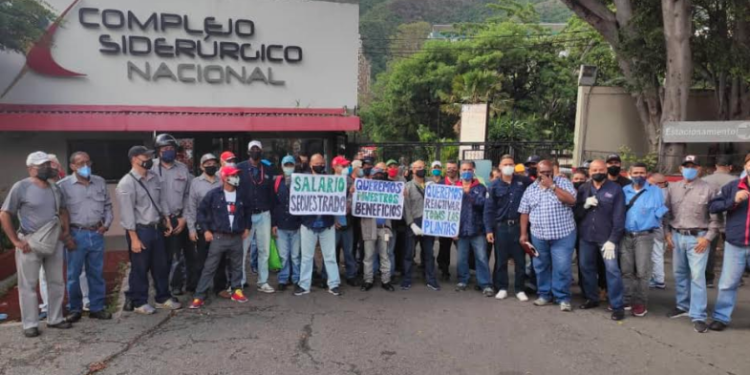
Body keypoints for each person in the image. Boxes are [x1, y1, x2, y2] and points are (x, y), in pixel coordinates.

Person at [0, 151, 73, 337]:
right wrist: (16, 241)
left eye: (47, 164)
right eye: (42, 165)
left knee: (56, 282)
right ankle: (30, 324)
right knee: (28, 285)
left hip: (54, 242)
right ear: (31, 169)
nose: (46, 168)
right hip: (29, 243)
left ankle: (55, 319)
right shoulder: (21, 187)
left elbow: (63, 210)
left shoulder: (54, 188)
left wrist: (65, 231)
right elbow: (5, 214)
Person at [117, 146, 181, 314]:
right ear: (134, 159)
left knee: (160, 266)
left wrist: (167, 219)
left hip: (157, 228)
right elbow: (127, 214)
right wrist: (134, 238)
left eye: (149, 156)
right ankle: (139, 301)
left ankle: (162, 297)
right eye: (144, 156)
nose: (148, 159)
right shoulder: (127, 183)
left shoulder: (154, 178)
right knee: (140, 268)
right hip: (140, 230)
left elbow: (162, 200)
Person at [663, 155, 719, 333]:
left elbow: (716, 218)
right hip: (677, 235)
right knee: (679, 273)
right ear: (681, 169)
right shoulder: (673, 188)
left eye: (694, 166)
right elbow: (666, 212)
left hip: (698, 237)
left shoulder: (709, 189)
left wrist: (708, 237)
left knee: (697, 277)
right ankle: (682, 305)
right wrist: (667, 233)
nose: (690, 169)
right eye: (687, 166)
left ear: (700, 169)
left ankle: (698, 315)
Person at [58, 151, 114, 322]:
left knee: (96, 273)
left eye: (88, 162)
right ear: (72, 166)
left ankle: (97, 307)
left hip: (96, 233)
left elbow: (108, 206)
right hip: (76, 233)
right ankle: (75, 309)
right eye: (81, 163)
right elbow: (60, 212)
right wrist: (66, 235)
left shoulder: (100, 182)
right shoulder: (63, 186)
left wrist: (106, 225)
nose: (85, 166)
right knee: (73, 275)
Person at [518, 160, 577, 311]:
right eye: (542, 172)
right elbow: (524, 212)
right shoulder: (531, 189)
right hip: (539, 236)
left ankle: (562, 297)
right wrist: (523, 234)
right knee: (540, 266)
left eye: (548, 172)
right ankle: (544, 294)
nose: (545, 174)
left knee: (562, 267)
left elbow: (572, 200)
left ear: (553, 171)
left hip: (562, 235)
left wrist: (552, 186)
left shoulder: (563, 182)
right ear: (537, 173)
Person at [189, 166, 251, 308]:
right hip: (218, 237)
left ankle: (237, 290)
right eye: (233, 175)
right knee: (210, 267)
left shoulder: (241, 195)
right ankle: (199, 295)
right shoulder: (213, 194)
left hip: (236, 236)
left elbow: (248, 212)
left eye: (237, 175)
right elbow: (201, 213)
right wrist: (206, 230)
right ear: (225, 178)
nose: (237, 178)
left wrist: (247, 227)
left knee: (237, 266)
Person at [575, 160, 627, 320]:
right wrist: (584, 205)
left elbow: (619, 217)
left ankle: (617, 305)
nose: (598, 171)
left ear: (606, 171)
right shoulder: (584, 188)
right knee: (586, 267)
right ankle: (592, 298)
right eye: (594, 169)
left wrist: (613, 240)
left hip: (607, 239)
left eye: (601, 169)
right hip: (586, 236)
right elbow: (576, 213)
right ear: (589, 172)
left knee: (612, 270)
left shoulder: (616, 189)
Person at [707, 153, 750, 331]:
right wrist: (734, 200)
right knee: (727, 283)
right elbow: (713, 206)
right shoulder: (732, 187)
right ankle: (721, 317)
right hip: (735, 243)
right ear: (746, 166)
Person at [619, 162, 668, 317]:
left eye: (642, 172)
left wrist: (648, 218)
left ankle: (640, 303)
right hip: (625, 235)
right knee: (626, 271)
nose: (638, 175)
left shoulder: (655, 191)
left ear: (647, 174)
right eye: (635, 172)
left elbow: (660, 212)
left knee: (642, 271)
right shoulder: (624, 190)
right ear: (629, 173)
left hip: (644, 235)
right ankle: (626, 299)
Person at [151, 134, 194, 296]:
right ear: (158, 151)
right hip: (158, 220)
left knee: (178, 256)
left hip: (178, 218)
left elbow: (188, 195)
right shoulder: (151, 169)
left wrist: (184, 218)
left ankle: (176, 286)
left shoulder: (183, 168)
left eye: (171, 149)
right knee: (159, 257)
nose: (168, 151)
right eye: (164, 149)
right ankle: (159, 287)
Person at [484, 155, 531, 301]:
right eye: (505, 164)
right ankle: (502, 287)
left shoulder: (523, 182)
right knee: (501, 259)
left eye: (511, 164)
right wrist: (489, 230)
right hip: (501, 227)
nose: (508, 166)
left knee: (520, 260)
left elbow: (538, 188)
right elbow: (489, 209)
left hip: (519, 226)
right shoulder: (493, 186)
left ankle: (519, 289)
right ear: (500, 166)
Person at [295, 154, 342, 296]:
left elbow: (339, 198)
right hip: (308, 224)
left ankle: (333, 284)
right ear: (310, 164)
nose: (320, 165)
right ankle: (304, 285)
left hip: (327, 224)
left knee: (330, 256)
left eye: (322, 163)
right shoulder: (303, 180)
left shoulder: (331, 181)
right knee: (306, 257)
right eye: (317, 163)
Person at [186, 153, 227, 298]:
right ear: (201, 166)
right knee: (202, 261)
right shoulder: (195, 183)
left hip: (220, 228)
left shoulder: (221, 181)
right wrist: (191, 229)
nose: (211, 166)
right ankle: (200, 289)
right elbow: (191, 208)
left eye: (213, 163)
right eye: (207, 164)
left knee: (221, 260)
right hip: (203, 228)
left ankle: (220, 288)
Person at [237, 140, 276, 294]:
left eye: (258, 149)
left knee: (264, 249)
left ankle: (263, 281)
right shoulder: (240, 168)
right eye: (252, 149)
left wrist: (274, 219)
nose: (255, 151)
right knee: (242, 250)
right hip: (246, 215)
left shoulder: (268, 169)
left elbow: (272, 195)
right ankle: (240, 281)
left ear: (261, 151)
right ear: (248, 152)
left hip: (264, 214)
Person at [454, 161, 493, 296]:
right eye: (464, 169)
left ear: (474, 170)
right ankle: (462, 280)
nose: (466, 172)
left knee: (481, 257)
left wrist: (469, 193)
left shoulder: (481, 188)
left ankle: (485, 284)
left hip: (478, 230)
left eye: (469, 169)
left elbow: (484, 205)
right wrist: (452, 229)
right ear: (459, 170)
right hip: (461, 230)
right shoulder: (454, 188)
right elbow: (450, 210)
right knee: (461, 258)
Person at [402, 160, 440, 291]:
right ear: (413, 170)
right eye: (418, 167)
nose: (421, 169)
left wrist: (435, 188)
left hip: (429, 222)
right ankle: (406, 280)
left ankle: (431, 280)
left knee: (429, 253)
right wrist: (411, 224)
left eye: (423, 167)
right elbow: (406, 207)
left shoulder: (432, 184)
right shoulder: (407, 186)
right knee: (409, 253)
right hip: (414, 223)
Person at [702, 156, 738, 288]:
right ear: (730, 167)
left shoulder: (704, 180)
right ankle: (734, 278)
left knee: (709, 249)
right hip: (731, 219)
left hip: (711, 219)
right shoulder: (736, 181)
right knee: (733, 250)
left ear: (716, 166)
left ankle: (708, 278)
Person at [360, 166, 396, 292]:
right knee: (368, 255)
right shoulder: (363, 190)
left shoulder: (390, 190)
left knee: (385, 255)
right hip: (370, 227)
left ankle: (386, 280)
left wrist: (402, 195)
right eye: (376, 175)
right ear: (371, 176)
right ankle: (368, 280)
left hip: (384, 228)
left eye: (381, 174)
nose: (379, 177)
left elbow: (398, 201)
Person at [272, 156, 302, 291]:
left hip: (297, 224)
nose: (289, 167)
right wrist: (273, 224)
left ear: (295, 166)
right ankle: (283, 279)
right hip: (281, 224)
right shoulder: (277, 182)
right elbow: (273, 204)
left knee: (296, 256)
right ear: (282, 166)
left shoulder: (302, 181)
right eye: (286, 164)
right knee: (283, 255)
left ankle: (296, 278)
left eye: (291, 164)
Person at [329, 156, 358, 286]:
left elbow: (356, 202)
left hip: (348, 221)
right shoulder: (328, 181)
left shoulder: (351, 182)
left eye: (346, 166)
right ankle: (329, 276)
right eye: (342, 165)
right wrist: (332, 220)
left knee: (349, 251)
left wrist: (353, 192)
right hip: (332, 224)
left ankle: (351, 275)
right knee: (331, 252)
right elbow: (324, 203)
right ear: (334, 167)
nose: (345, 168)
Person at [438, 160, 459, 280]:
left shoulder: (462, 183)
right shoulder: (440, 184)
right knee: (444, 247)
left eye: (454, 167)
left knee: (461, 249)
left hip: (459, 222)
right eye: (449, 168)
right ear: (446, 170)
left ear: (457, 169)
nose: (451, 170)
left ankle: (462, 272)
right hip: (444, 222)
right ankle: (444, 270)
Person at [648, 173, 669, 289]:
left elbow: (661, 214)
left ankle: (658, 279)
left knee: (656, 254)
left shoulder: (661, 194)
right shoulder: (666, 193)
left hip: (656, 227)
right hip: (660, 227)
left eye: (650, 183)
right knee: (657, 254)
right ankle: (658, 278)